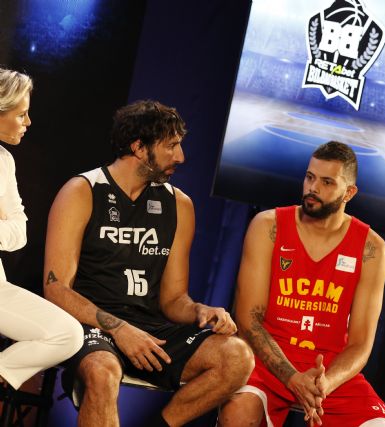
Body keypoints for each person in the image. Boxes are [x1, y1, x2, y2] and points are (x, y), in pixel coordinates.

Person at [43, 100, 254, 427]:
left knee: (237, 357)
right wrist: (120, 329)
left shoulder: (179, 204)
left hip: (149, 329)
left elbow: (172, 300)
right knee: (103, 371)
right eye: (171, 146)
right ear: (139, 147)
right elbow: (55, 289)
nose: (181, 156)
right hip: (90, 325)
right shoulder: (82, 191)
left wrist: (200, 311)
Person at [218, 141, 385, 426]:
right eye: (310, 177)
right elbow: (248, 319)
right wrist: (291, 378)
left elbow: (361, 344)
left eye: (327, 182)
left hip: (327, 374)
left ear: (349, 193)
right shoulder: (268, 226)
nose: (313, 188)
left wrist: (324, 384)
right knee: (238, 414)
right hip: (267, 363)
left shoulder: (372, 248)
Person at [0, 67, 84, 390]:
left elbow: (20, 231)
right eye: (21, 115)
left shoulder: (4, 161)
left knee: (68, 334)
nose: (28, 122)